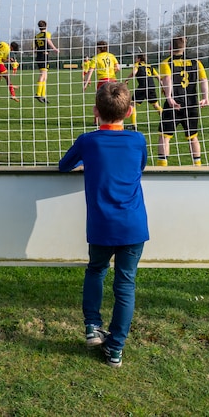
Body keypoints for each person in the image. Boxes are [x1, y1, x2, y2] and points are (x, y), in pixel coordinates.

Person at [58, 82, 149, 368]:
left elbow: (64, 165)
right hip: (133, 225)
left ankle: (92, 326)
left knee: (96, 270)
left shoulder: (88, 141)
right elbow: (140, 166)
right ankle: (116, 349)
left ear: (95, 111)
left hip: (101, 224)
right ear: (130, 111)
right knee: (125, 284)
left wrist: (90, 166)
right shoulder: (138, 140)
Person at [156, 37, 209, 166]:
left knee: (164, 136)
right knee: (193, 137)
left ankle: (162, 167)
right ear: (184, 47)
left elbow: (167, 79)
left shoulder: (166, 63)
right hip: (191, 104)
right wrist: (205, 97)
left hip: (174, 104)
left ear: (170, 47)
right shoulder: (196, 62)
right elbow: (203, 80)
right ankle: (197, 165)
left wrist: (169, 97)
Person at [83, 41, 121, 125]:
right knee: (114, 100)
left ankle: (96, 121)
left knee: (99, 100)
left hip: (103, 80)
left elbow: (90, 71)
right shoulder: (111, 56)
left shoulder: (96, 58)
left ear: (98, 48)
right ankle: (114, 119)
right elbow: (118, 68)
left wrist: (85, 83)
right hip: (113, 80)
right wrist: (113, 73)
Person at [125, 53, 162, 130]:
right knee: (156, 105)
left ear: (139, 59)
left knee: (132, 104)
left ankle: (134, 125)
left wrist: (127, 79)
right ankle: (167, 120)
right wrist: (162, 86)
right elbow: (158, 77)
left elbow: (134, 73)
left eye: (136, 58)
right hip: (151, 87)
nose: (135, 59)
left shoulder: (137, 65)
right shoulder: (149, 66)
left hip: (143, 87)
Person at [34, 20, 60, 103]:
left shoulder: (36, 36)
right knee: (43, 74)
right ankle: (38, 93)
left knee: (45, 76)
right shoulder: (47, 34)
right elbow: (49, 41)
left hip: (40, 56)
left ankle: (43, 95)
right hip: (43, 56)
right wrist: (55, 48)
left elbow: (34, 48)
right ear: (46, 26)